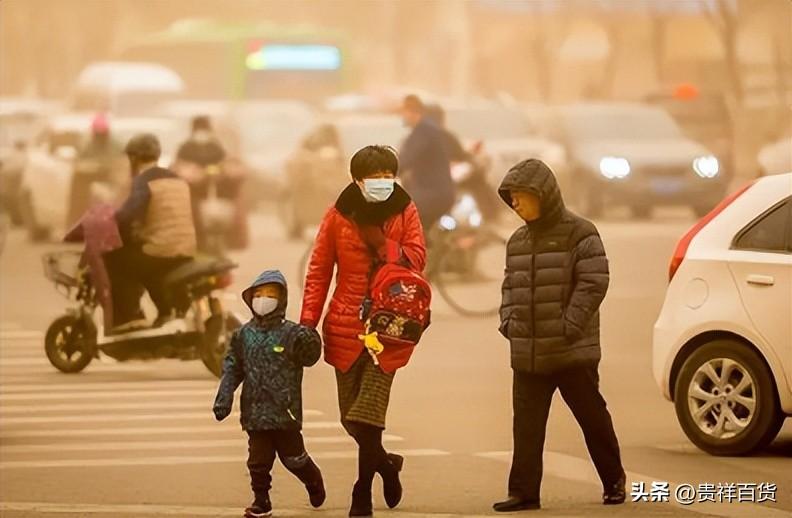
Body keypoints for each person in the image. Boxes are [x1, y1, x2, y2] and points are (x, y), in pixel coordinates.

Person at [300, 145, 426, 517]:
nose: (384, 183)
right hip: (346, 325)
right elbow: (319, 270)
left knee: (369, 414)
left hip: (390, 327)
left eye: (389, 175)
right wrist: (308, 323)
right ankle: (387, 464)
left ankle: (362, 491)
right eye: (376, 177)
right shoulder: (338, 215)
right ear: (357, 180)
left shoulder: (406, 208)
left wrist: (383, 245)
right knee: (350, 418)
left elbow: (417, 258)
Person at [494, 158, 626, 512]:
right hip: (527, 352)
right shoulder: (517, 240)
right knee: (526, 427)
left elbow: (594, 281)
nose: (516, 204)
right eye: (512, 198)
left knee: (592, 418)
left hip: (571, 350)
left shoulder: (580, 232)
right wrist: (508, 320)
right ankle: (523, 492)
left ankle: (614, 480)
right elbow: (509, 286)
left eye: (521, 196)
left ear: (544, 195)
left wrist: (570, 325)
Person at [214, 269, 325, 518]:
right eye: (259, 294)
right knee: (258, 462)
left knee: (293, 459)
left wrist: (311, 337)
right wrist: (224, 398)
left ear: (281, 299)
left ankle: (313, 479)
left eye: (270, 294)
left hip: (285, 412)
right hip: (254, 413)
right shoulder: (243, 336)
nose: (264, 299)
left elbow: (311, 358)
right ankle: (261, 501)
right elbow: (232, 367)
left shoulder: (292, 334)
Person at [104, 133, 196, 333]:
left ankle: (129, 317)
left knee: (115, 259)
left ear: (134, 159)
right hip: (186, 249)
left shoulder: (144, 181)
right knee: (145, 263)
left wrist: (110, 226)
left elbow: (127, 217)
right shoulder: (178, 180)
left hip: (161, 250)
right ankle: (164, 312)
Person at [399, 95, 455, 231]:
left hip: (432, 193)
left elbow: (406, 159)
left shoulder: (424, 131)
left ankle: (407, 251)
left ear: (412, 111)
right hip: (433, 192)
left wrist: (385, 172)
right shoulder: (427, 130)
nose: (402, 116)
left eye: (404, 112)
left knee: (398, 216)